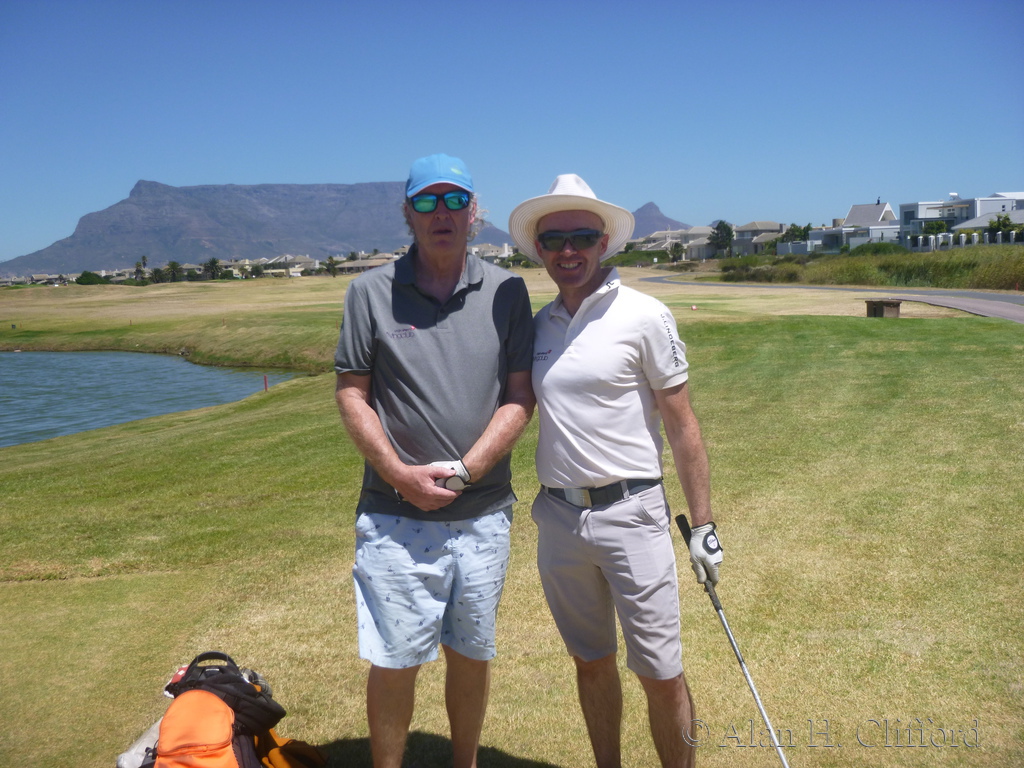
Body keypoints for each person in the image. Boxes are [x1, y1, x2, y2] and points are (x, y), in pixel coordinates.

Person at [508, 174, 723, 768]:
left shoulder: (646, 314)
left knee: (660, 671)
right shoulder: (538, 325)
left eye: (582, 237)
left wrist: (704, 524)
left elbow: (682, 425)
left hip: (633, 513)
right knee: (590, 661)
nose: (568, 250)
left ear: (603, 242)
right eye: (554, 240)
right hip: (559, 519)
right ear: (539, 249)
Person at [334, 153, 535, 768]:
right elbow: (352, 394)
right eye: (426, 201)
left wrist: (467, 471)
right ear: (408, 213)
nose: (440, 213)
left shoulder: (507, 291)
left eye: (454, 201)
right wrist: (400, 476)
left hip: (483, 515)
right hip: (394, 516)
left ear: (474, 213)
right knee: (395, 659)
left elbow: (519, 396)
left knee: (471, 654)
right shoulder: (369, 292)